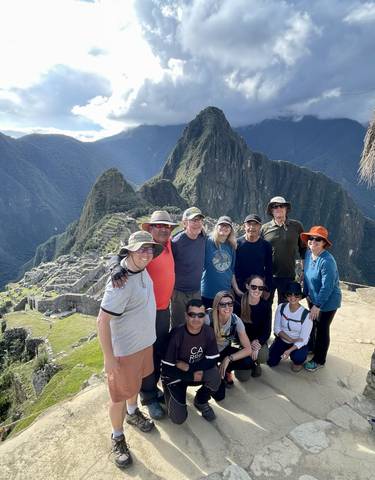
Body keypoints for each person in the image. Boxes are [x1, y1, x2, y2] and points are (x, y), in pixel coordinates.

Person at [97, 231, 163, 469]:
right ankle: (117, 437)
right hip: (125, 351)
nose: (146, 254)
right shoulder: (120, 284)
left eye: (150, 249)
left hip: (144, 344)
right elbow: (102, 321)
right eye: (141, 249)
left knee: (134, 385)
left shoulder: (140, 269)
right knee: (117, 397)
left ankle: (133, 412)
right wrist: (109, 358)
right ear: (129, 251)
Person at [108, 210, 178, 420]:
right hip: (146, 313)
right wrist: (114, 268)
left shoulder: (168, 245)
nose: (164, 229)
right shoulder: (144, 249)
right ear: (150, 229)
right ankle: (147, 397)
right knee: (145, 355)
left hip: (164, 309)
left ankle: (152, 387)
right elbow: (118, 255)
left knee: (157, 352)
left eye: (167, 226)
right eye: (159, 226)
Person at [161, 299, 224, 424]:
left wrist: (190, 369)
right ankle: (169, 393)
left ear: (204, 315)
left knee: (215, 375)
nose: (196, 318)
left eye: (200, 315)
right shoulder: (176, 335)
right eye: (192, 315)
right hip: (176, 377)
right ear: (185, 315)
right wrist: (189, 374)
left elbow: (212, 359)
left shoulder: (208, 332)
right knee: (178, 419)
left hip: (194, 373)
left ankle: (200, 401)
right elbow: (167, 368)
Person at [300, 226, 342, 372]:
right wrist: (305, 293)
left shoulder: (327, 261)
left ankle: (319, 360)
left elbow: (328, 287)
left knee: (322, 328)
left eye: (318, 239)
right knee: (313, 325)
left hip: (327, 302)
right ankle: (312, 348)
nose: (313, 241)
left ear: (324, 243)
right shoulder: (308, 254)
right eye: (311, 238)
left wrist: (317, 305)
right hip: (313, 297)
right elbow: (306, 275)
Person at [261, 196, 306, 304]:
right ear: (271, 210)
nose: (278, 208)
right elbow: (259, 252)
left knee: (285, 308)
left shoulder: (297, 226)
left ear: (286, 209)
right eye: (275, 206)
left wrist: (304, 271)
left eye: (281, 206)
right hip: (268, 276)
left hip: (288, 275)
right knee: (264, 307)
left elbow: (303, 249)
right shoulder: (264, 228)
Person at [207, 291, 253, 388]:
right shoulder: (208, 318)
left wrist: (229, 358)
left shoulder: (235, 320)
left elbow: (248, 349)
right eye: (223, 304)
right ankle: (214, 371)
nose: (227, 307)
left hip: (227, 346)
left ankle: (227, 369)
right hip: (209, 352)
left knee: (248, 361)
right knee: (218, 389)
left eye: (230, 304)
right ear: (217, 306)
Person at [171, 207, 206, 328]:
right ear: (185, 223)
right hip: (179, 293)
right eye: (193, 220)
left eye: (199, 220)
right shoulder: (176, 242)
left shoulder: (203, 238)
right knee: (179, 325)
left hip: (196, 291)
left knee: (195, 324)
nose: (197, 223)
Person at [267, 282, 313, 372]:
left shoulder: (306, 315)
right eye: (289, 294)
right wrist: (290, 339)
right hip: (283, 339)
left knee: (298, 358)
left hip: (298, 343)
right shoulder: (281, 307)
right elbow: (276, 329)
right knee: (270, 362)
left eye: (296, 295)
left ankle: (297, 359)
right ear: (286, 296)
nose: (293, 297)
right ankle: (281, 351)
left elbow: (304, 339)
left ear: (300, 297)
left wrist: (289, 350)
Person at [233, 214, 272, 312]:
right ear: (244, 226)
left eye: (255, 224)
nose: (252, 227)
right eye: (249, 224)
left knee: (258, 317)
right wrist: (236, 289)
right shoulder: (236, 244)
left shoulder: (266, 246)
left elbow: (269, 268)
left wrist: (267, 289)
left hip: (258, 289)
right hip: (240, 289)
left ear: (260, 227)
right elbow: (232, 268)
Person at [239, 275, 272, 378]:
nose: (257, 290)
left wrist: (257, 344)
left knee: (263, 356)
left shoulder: (265, 306)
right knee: (242, 377)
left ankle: (256, 363)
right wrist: (248, 345)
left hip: (258, 341)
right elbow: (235, 332)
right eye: (253, 287)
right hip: (243, 342)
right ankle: (249, 362)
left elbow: (267, 331)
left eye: (260, 288)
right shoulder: (238, 304)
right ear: (247, 286)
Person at [201, 216, 237, 309]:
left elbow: (231, 271)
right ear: (217, 227)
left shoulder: (231, 246)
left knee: (221, 322)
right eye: (222, 225)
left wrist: (236, 290)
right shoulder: (207, 241)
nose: (224, 228)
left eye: (227, 226)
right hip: (207, 293)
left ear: (230, 230)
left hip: (224, 295)